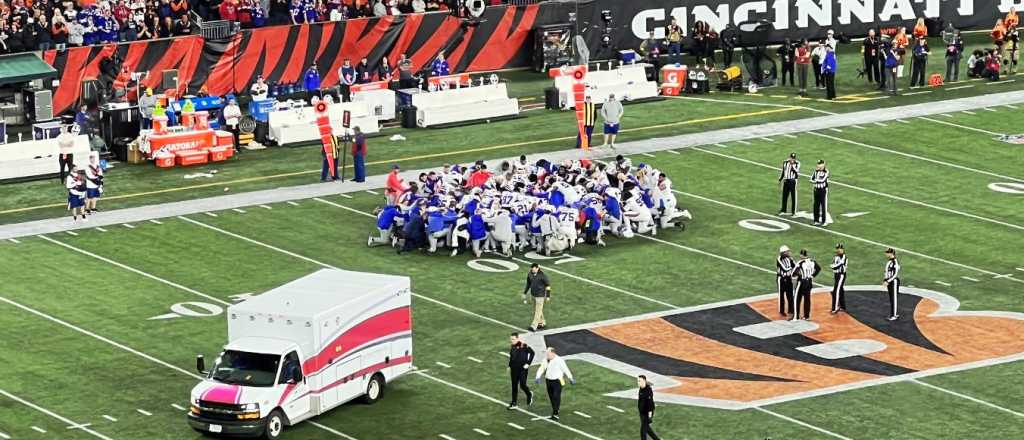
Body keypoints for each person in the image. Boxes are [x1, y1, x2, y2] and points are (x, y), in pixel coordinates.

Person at [534, 347, 574, 421]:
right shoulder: (545, 360)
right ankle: (555, 410)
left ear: (553, 353)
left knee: (556, 396)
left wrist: (570, 378)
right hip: (548, 380)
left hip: (558, 381)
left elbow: (565, 369)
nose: (547, 355)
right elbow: (541, 368)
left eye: (548, 353)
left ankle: (555, 413)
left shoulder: (559, 360)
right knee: (551, 396)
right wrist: (537, 377)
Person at [507, 333, 535, 410]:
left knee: (522, 385)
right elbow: (512, 357)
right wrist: (509, 366)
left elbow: (532, 353)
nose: (511, 340)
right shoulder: (512, 346)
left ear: (517, 338)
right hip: (514, 369)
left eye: (513, 339)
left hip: (522, 369)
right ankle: (514, 403)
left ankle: (529, 394)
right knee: (514, 386)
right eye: (511, 339)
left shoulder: (523, 345)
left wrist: (528, 364)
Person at [523, 263, 551, 332]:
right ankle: (542, 322)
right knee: (537, 310)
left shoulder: (542, 276)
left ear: (537, 268)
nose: (533, 270)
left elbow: (548, 286)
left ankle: (534, 326)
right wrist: (525, 292)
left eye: (534, 269)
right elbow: (528, 284)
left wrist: (548, 296)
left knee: (537, 311)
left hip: (540, 296)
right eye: (532, 269)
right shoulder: (530, 274)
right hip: (533, 295)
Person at [793, 249, 819, 321]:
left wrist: (798, 274)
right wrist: (812, 276)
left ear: (801, 255)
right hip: (809, 282)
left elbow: (793, 273)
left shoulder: (800, 263)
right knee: (807, 299)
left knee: (797, 299)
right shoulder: (812, 261)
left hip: (802, 282)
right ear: (807, 255)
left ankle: (796, 317)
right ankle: (806, 316)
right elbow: (818, 268)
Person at [637, 375, 661, 440]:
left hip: (647, 414)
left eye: (639, 381)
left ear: (644, 381)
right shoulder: (641, 389)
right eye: (638, 381)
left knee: (643, 432)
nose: (638, 382)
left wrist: (649, 417)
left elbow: (650, 404)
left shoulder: (648, 391)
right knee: (648, 430)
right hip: (642, 413)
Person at [776, 245, 796, 318]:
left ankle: (791, 310)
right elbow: (785, 268)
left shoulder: (790, 259)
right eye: (787, 251)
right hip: (781, 279)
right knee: (781, 296)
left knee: (790, 295)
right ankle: (781, 310)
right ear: (783, 253)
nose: (789, 252)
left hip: (788, 278)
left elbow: (795, 265)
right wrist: (792, 268)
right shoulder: (779, 259)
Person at [810, 159, 829, 226]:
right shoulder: (816, 171)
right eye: (818, 164)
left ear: (823, 164)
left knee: (823, 206)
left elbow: (822, 180)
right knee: (816, 205)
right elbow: (811, 179)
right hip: (816, 189)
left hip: (823, 190)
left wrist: (815, 180)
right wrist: (815, 181)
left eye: (820, 164)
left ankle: (824, 221)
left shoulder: (826, 171)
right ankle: (816, 220)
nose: (818, 165)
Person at [883, 248, 901, 321]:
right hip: (889, 281)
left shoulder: (895, 262)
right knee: (891, 298)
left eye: (887, 253)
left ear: (891, 253)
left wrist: (888, 281)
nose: (886, 254)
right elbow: (886, 272)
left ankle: (894, 315)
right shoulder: (890, 261)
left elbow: (895, 274)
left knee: (894, 298)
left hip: (893, 282)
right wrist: (885, 279)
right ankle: (893, 313)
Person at [830, 243, 848, 314]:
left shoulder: (844, 257)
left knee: (836, 291)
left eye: (840, 248)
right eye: (837, 248)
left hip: (841, 275)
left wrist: (832, 266)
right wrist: (833, 266)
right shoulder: (836, 257)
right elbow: (833, 264)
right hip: (836, 275)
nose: (838, 250)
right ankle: (843, 306)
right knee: (840, 290)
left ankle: (835, 308)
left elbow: (837, 265)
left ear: (842, 249)